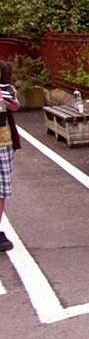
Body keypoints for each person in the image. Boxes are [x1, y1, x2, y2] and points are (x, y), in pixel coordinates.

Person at [0, 61, 21, 252]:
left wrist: (12, 104)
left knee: (2, 188)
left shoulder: (4, 70)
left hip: (3, 137)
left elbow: (15, 105)